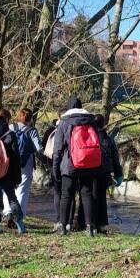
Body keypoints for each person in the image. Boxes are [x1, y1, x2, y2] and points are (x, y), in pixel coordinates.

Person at [51, 96, 102, 236]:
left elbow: (57, 149)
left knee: (66, 195)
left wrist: (55, 170)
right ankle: (90, 227)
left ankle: (63, 226)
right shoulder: (91, 120)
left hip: (70, 164)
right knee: (87, 193)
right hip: (89, 163)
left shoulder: (64, 122)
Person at [3, 109, 43, 227]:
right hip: (26, 163)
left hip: (10, 162)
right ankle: (18, 216)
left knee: (8, 187)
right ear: (30, 119)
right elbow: (39, 148)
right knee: (22, 190)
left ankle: (8, 212)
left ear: (18, 116)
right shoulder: (32, 131)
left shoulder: (10, 127)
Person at [93, 114, 123, 233]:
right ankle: (103, 225)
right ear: (104, 124)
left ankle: (91, 224)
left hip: (91, 172)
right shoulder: (108, 139)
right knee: (102, 199)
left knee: (92, 197)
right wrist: (118, 175)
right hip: (105, 172)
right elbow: (115, 159)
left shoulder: (89, 137)